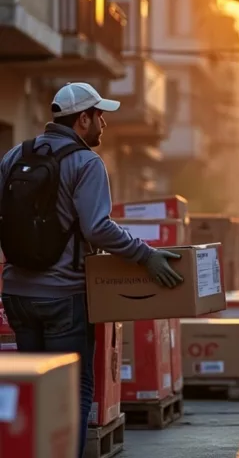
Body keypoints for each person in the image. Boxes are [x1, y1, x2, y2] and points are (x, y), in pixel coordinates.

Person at [0, 82, 183, 458]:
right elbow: (98, 228)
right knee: (72, 390)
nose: (104, 124)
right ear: (82, 119)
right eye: (99, 116)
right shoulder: (86, 163)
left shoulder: (14, 155)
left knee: (35, 389)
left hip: (17, 294)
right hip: (64, 298)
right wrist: (145, 255)